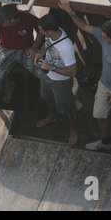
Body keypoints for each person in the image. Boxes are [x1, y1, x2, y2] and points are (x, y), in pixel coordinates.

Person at [58, 0, 111, 153]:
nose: (101, 38)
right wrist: (70, 11)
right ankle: (105, 142)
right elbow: (83, 25)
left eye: (104, 37)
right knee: (99, 114)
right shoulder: (106, 39)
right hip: (104, 85)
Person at [34, 13, 79, 145]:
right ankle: (51, 117)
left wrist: (51, 67)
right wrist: (40, 53)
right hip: (46, 75)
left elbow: (73, 72)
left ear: (51, 31)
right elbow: (47, 45)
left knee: (67, 108)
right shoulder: (52, 35)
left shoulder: (66, 47)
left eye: (42, 30)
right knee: (47, 97)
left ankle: (74, 129)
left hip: (60, 81)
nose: (39, 32)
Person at [0, 4, 45, 103]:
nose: (0, 23)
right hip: (5, 49)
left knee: (41, 72)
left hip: (26, 49)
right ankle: (8, 89)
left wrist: (34, 48)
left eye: (3, 22)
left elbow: (41, 31)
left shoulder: (28, 17)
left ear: (12, 20)